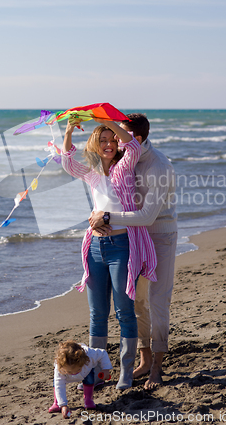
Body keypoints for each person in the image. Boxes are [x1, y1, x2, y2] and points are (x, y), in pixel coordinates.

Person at [61, 117, 157, 390]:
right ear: (95, 143)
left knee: (124, 311)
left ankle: (126, 371)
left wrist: (108, 122)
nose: (108, 144)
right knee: (97, 314)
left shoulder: (125, 167)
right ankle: (96, 373)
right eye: (102, 140)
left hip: (121, 245)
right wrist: (68, 131)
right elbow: (68, 163)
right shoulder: (92, 174)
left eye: (112, 140)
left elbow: (132, 147)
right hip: (94, 247)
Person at [89, 113, 177, 389]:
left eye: (119, 135)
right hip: (131, 237)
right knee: (137, 301)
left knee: (158, 301)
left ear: (135, 139)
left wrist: (106, 218)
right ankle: (145, 359)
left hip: (159, 234)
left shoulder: (159, 166)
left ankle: (157, 369)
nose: (115, 141)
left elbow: (148, 216)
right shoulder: (123, 160)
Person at [49, 340, 112, 418]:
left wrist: (105, 369)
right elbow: (59, 385)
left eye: (77, 370)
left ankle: (88, 399)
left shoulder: (90, 355)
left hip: (86, 371)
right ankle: (56, 402)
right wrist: (63, 405)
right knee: (57, 382)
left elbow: (103, 353)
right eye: (69, 371)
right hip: (64, 375)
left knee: (89, 378)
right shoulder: (60, 368)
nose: (73, 373)